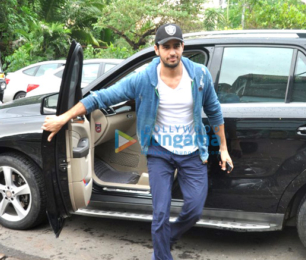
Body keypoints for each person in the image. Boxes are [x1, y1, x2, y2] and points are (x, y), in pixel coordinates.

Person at [41, 23, 233, 260]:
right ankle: (161, 255)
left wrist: (223, 148)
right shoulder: (143, 79)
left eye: (176, 46)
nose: (172, 51)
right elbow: (100, 97)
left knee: (194, 209)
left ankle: (167, 237)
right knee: (160, 213)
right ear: (156, 50)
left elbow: (215, 113)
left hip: (193, 152)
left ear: (183, 47)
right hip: (159, 152)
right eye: (166, 47)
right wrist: (64, 117)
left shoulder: (200, 75)